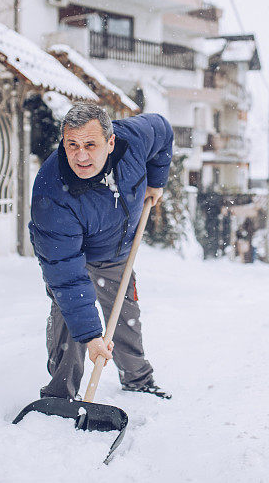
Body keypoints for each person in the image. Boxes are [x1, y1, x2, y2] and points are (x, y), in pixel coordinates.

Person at [29, 103, 173, 400]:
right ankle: (59, 394)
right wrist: (92, 336)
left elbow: (164, 131)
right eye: (72, 145)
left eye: (90, 145)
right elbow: (67, 275)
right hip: (71, 255)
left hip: (117, 251)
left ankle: (138, 380)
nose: (81, 156)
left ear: (111, 142)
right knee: (70, 317)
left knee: (125, 316)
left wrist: (156, 181)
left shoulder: (134, 140)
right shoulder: (51, 191)